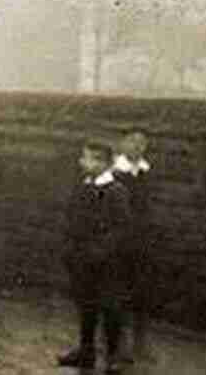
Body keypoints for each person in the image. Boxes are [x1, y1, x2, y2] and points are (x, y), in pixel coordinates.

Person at [57, 139, 131, 374]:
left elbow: (120, 228)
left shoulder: (116, 191)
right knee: (85, 305)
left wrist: (100, 251)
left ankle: (112, 355)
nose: (83, 161)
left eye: (89, 158)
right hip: (81, 259)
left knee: (110, 308)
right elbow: (71, 219)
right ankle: (86, 351)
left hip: (107, 263)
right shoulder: (82, 187)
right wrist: (70, 248)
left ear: (104, 163)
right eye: (84, 156)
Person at [112, 127, 153, 362]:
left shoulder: (146, 171)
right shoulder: (116, 172)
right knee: (119, 291)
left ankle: (140, 343)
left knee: (141, 292)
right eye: (133, 141)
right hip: (119, 242)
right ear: (122, 143)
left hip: (141, 241)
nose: (138, 146)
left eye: (142, 142)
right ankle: (120, 344)